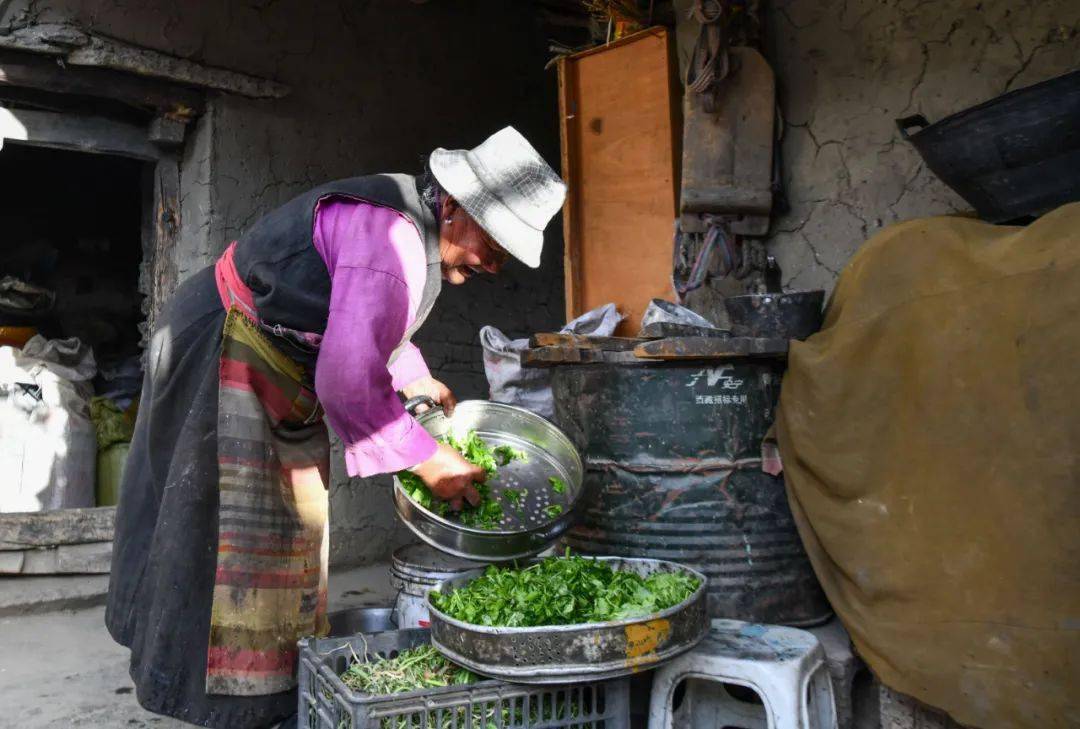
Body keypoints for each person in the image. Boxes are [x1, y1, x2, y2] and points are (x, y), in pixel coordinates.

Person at [105, 126, 567, 728]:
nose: (495, 262)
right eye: (494, 240)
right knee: (217, 544)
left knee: (277, 537)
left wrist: (411, 378)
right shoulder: (396, 241)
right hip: (218, 346)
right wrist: (428, 460)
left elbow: (361, 317)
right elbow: (347, 380)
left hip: (263, 353)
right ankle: (219, 702)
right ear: (452, 205)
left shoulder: (410, 225)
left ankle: (261, 698)